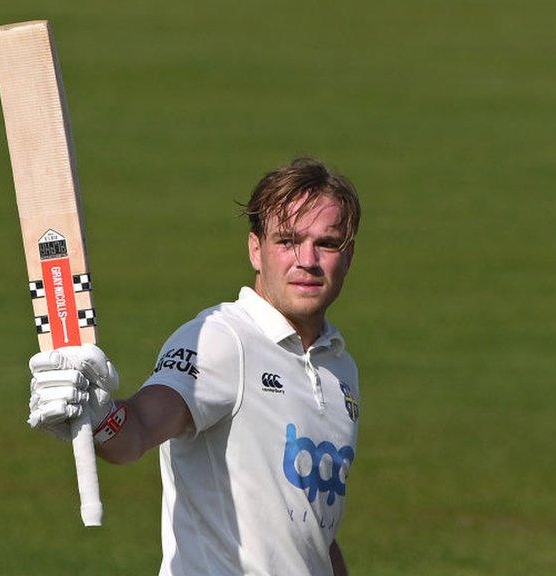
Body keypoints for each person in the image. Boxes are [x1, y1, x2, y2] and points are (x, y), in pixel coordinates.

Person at [26, 157, 362, 576]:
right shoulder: (223, 340)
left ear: (347, 255)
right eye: (288, 241)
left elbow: (311, 532)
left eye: (326, 243)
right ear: (255, 250)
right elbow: (140, 430)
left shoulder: (339, 368)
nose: (307, 260)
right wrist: (102, 418)